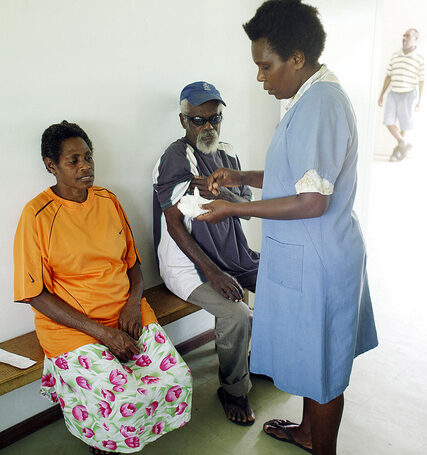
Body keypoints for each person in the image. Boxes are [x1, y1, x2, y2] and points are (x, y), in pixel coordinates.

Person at [198, 1, 378, 454]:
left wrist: (234, 209)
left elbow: (311, 201)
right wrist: (241, 178)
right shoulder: (308, 96)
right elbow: (298, 178)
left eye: (266, 66)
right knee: (311, 358)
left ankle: (323, 449)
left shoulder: (320, 105)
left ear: (296, 58)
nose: (261, 78)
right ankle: (306, 430)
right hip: (309, 253)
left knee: (322, 370)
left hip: (318, 260)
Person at [14, 121, 192, 455]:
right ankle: (103, 438)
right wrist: (102, 334)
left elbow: (133, 264)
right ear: (51, 166)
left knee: (177, 378)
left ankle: (117, 432)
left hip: (126, 311)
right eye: (74, 161)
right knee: (120, 398)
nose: (86, 166)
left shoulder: (108, 200)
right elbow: (35, 294)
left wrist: (131, 305)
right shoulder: (36, 215)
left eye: (88, 157)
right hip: (73, 327)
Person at [152, 82, 259, 425]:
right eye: (199, 120)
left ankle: (264, 362)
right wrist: (213, 273)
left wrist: (224, 192)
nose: (208, 127)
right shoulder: (175, 159)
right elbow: (175, 226)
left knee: (283, 282)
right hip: (189, 265)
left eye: (215, 118)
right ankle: (233, 389)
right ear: (184, 120)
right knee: (237, 314)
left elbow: (247, 210)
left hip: (233, 254)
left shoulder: (227, 154)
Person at [378, 28, 424, 161]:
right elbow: (389, 75)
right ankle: (403, 144)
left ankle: (397, 153)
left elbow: (421, 80)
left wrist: (419, 100)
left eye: (408, 36)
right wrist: (381, 94)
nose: (404, 38)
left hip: (409, 94)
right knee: (388, 121)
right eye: (403, 35)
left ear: (415, 39)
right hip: (393, 93)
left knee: (404, 124)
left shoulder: (419, 58)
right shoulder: (395, 55)